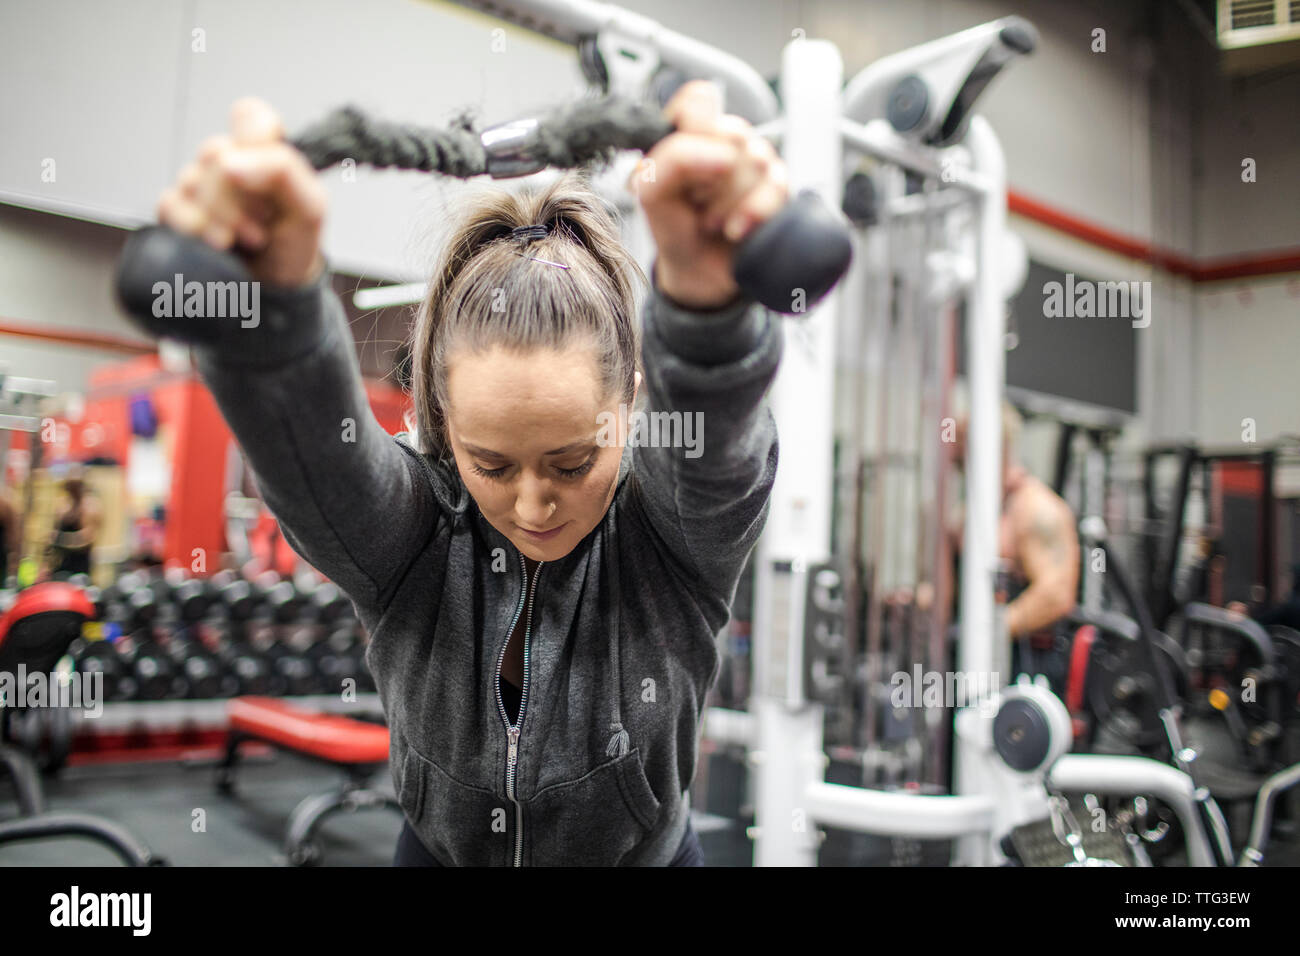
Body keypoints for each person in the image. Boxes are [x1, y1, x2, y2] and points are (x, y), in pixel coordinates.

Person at [156, 83, 786, 866]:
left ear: (630, 404)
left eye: (573, 459)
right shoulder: (410, 534)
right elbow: (316, 460)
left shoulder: (669, 540)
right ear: (445, 426)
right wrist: (266, 311)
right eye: (491, 463)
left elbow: (716, 455)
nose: (532, 504)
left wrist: (707, 304)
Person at [951, 400, 1080, 692]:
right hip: (974, 659)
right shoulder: (971, 512)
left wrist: (986, 633)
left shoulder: (1037, 510)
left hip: (1027, 665)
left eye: (961, 453)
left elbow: (1056, 595)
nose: (955, 462)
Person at [44, 473, 102, 580]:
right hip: (62, 562)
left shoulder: (89, 507)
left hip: (80, 562)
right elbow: (54, 532)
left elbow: (88, 538)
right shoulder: (64, 506)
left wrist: (61, 540)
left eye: (74, 486)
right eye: (69, 487)